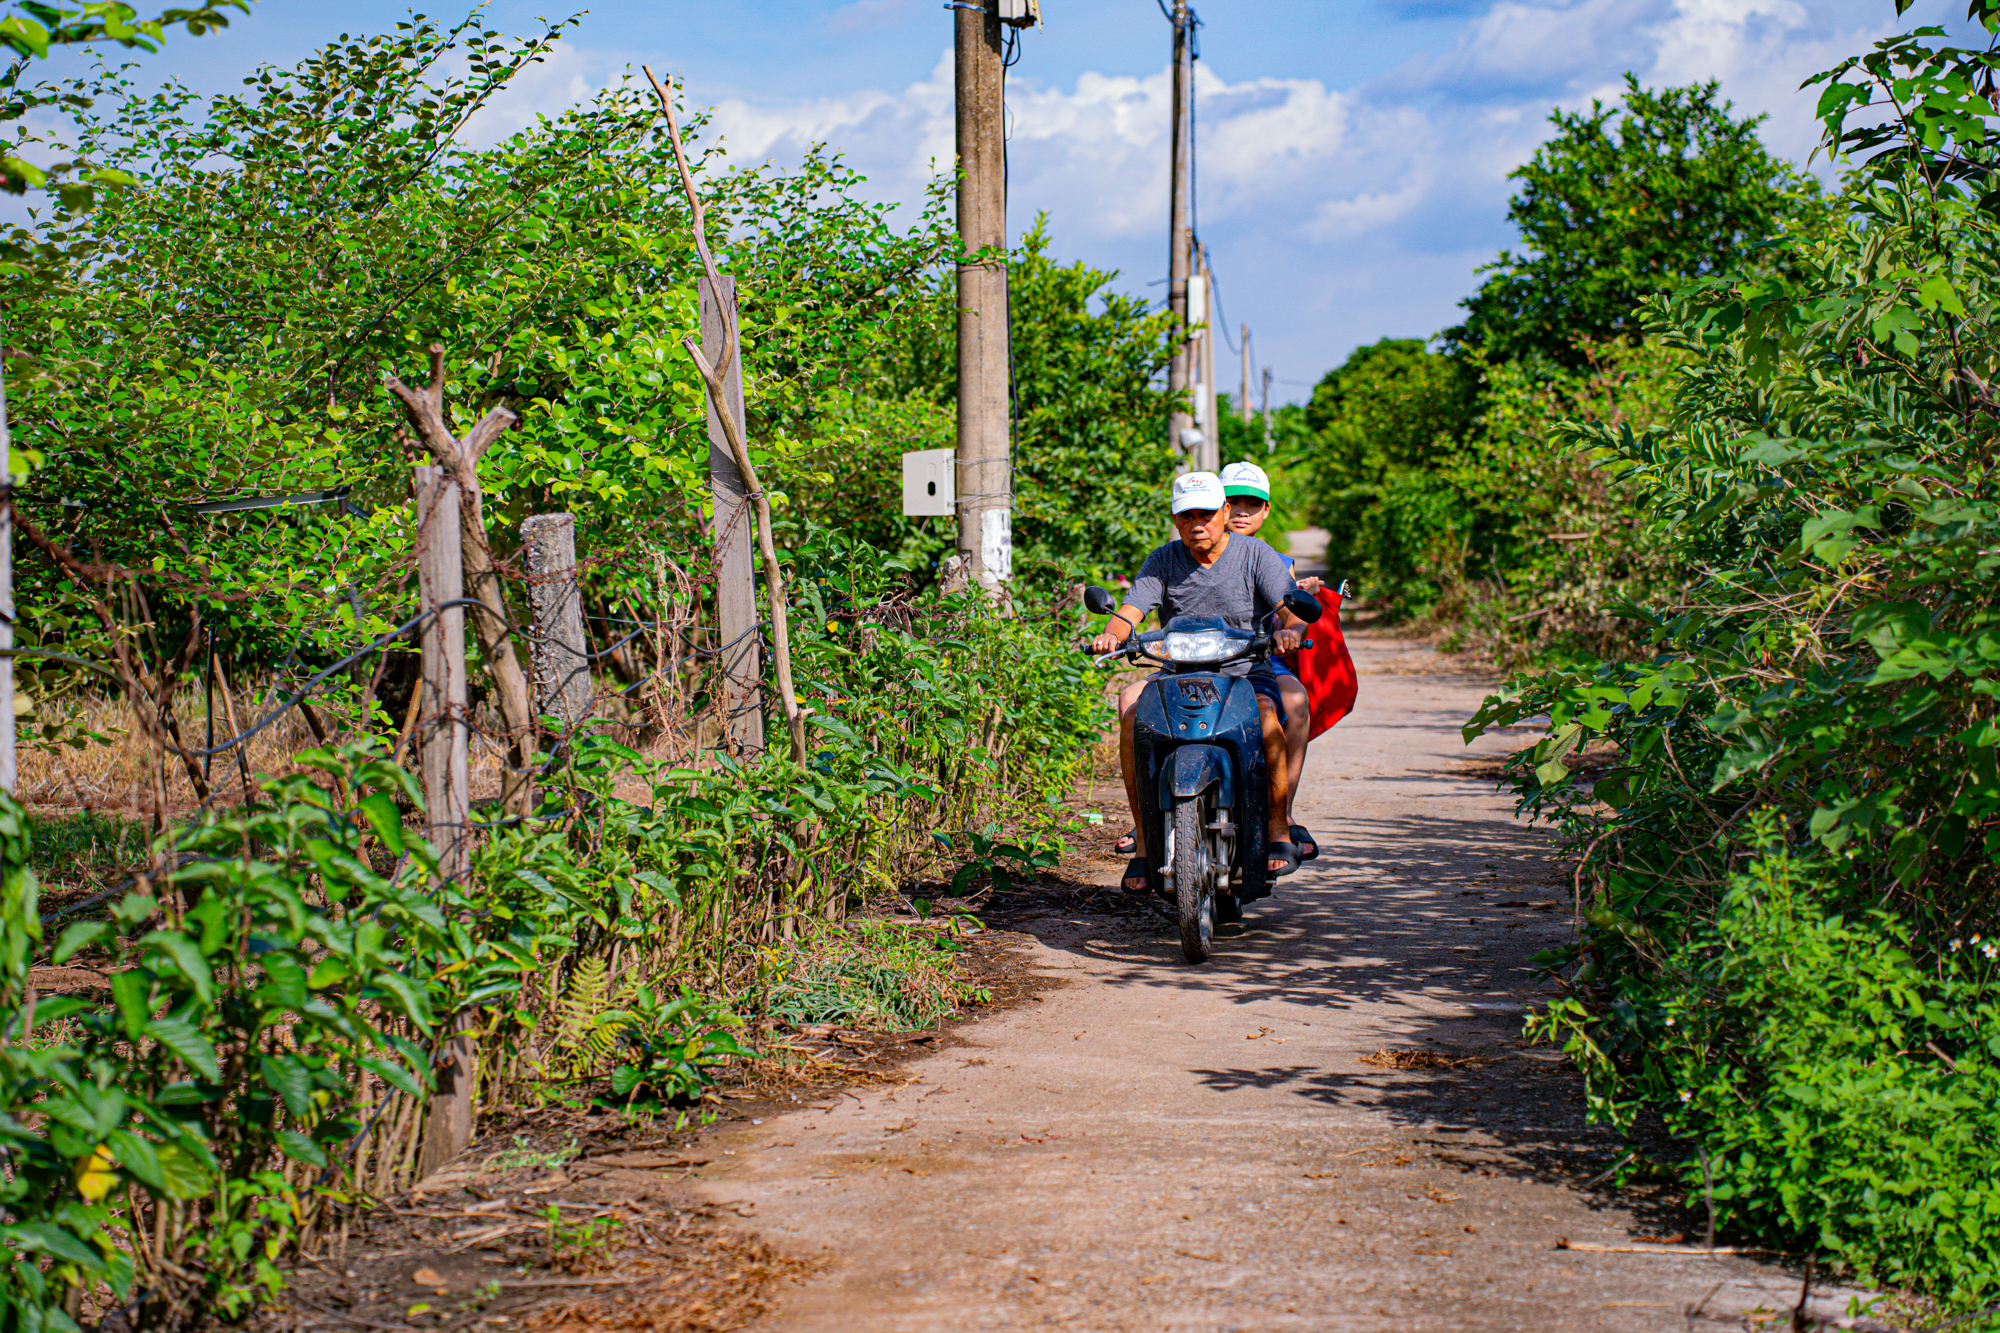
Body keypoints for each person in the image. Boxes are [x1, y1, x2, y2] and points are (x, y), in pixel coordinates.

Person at [1090, 470, 1309, 894]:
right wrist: (1109, 636)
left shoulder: (1256, 555)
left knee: (1267, 722)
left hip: (1245, 670)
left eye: (1206, 514)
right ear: (1175, 520)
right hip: (1178, 671)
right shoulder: (1163, 559)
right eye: (1186, 516)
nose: (1197, 524)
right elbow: (1131, 611)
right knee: (1133, 715)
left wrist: (1290, 631)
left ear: (1225, 512)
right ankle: (1144, 841)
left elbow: (1289, 608)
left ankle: (1279, 827)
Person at [1220, 460, 1319, 862]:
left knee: (1294, 702)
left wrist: (1290, 630)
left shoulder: (1274, 560)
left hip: (1255, 657)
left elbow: (1288, 612)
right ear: (1216, 507)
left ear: (1266, 511)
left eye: (1251, 504)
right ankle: (1149, 821)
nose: (1241, 512)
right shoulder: (1187, 549)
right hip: (1195, 660)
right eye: (1233, 502)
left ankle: (1284, 809)